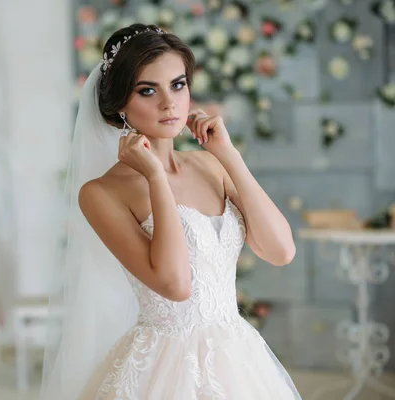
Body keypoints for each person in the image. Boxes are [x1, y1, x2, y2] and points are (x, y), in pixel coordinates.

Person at [40, 23, 302, 400]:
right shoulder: (101, 193)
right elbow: (176, 285)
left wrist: (229, 156)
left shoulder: (211, 166)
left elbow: (281, 251)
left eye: (178, 85)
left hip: (237, 355)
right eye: (148, 90)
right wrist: (154, 177)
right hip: (162, 368)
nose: (169, 103)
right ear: (119, 106)